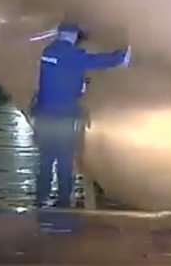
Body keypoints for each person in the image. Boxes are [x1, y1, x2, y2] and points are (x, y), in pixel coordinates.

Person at [32, 22, 131, 211]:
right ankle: (62, 203)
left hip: (45, 116)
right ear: (73, 36)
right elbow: (96, 61)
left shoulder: (48, 52)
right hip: (64, 117)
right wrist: (121, 57)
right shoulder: (74, 55)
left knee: (45, 160)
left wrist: (77, 84)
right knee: (64, 160)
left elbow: (60, 75)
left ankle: (39, 200)